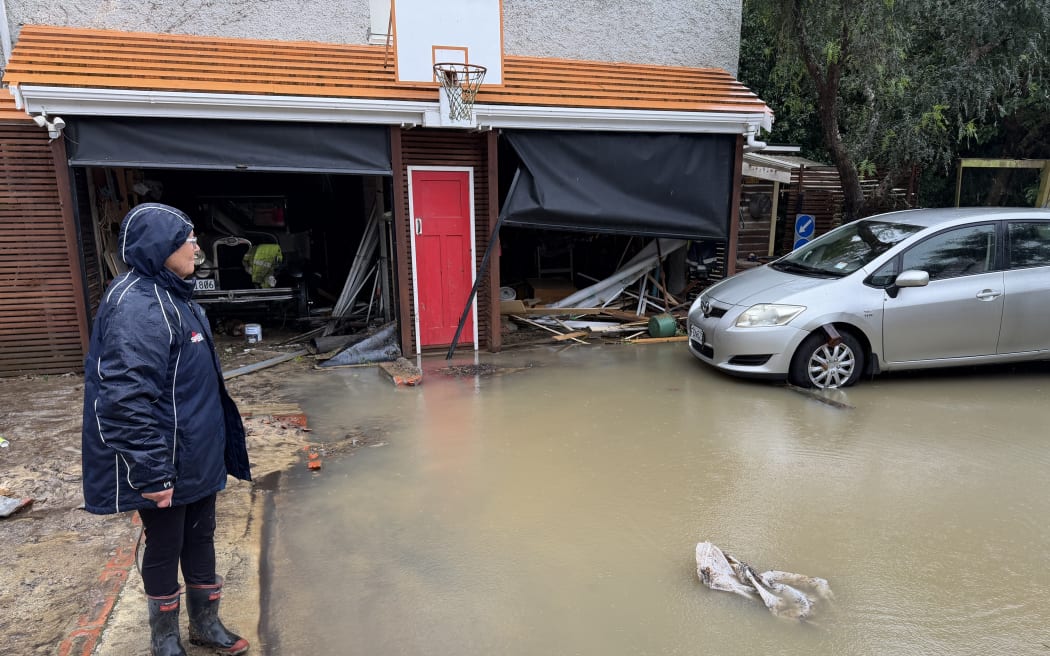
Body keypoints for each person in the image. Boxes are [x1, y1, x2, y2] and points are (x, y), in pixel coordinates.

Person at [81, 203, 252, 656]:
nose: (196, 247)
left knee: (200, 537)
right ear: (161, 248)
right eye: (188, 240)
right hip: (165, 459)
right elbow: (123, 399)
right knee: (165, 544)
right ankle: (165, 639)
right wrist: (152, 472)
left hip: (195, 452)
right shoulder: (138, 306)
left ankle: (206, 626)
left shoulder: (173, 293)